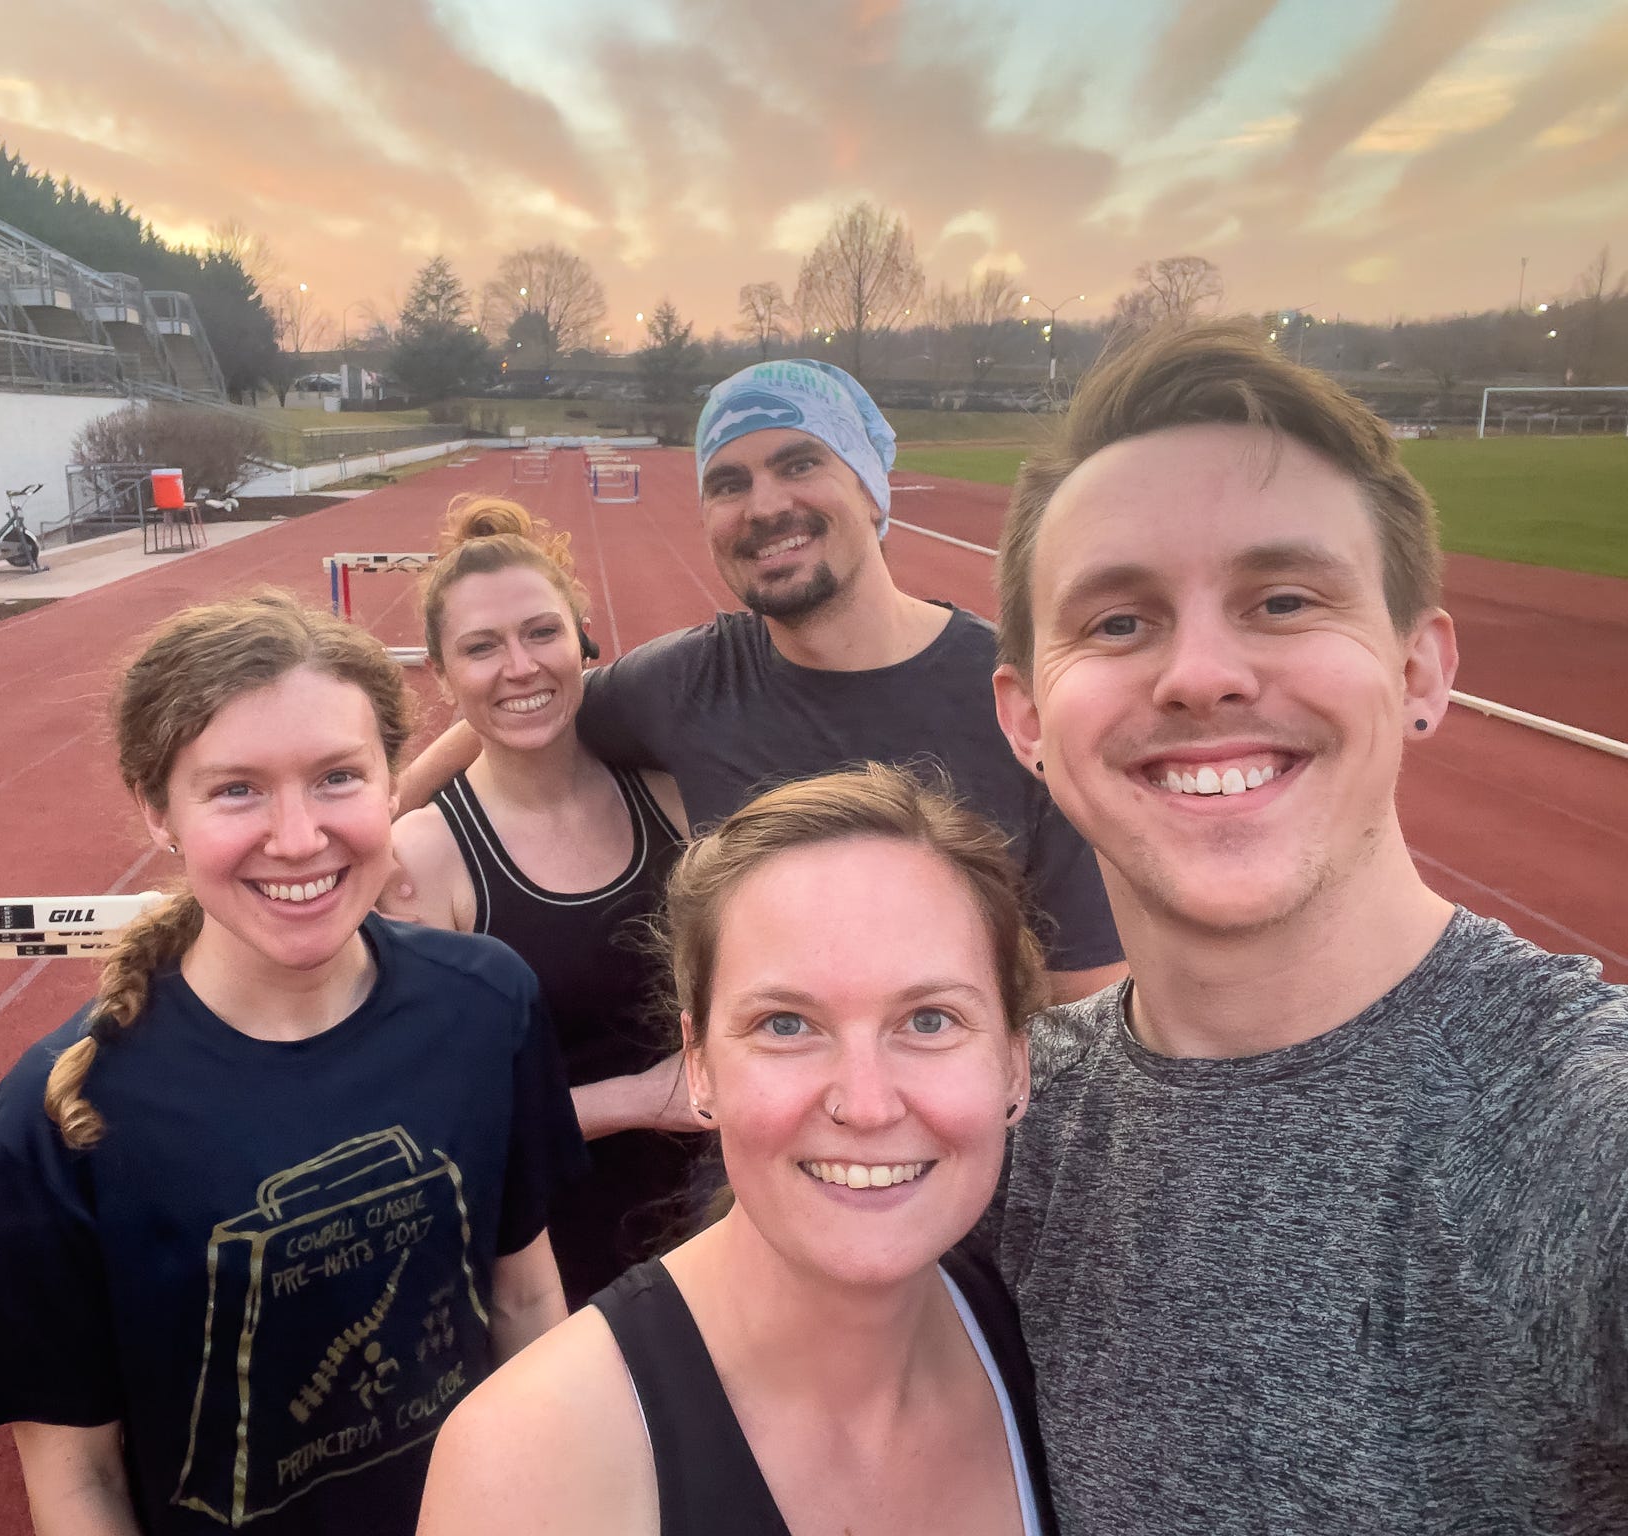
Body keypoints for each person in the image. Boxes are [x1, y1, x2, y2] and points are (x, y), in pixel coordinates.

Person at [983, 320, 1628, 1533]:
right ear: (1025, 721)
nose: (1199, 674)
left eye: (1281, 601)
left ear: (1417, 673)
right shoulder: (999, 1127)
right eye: (1116, 622)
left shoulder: (1579, 1129)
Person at [0, 592, 587, 1535]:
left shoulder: (487, 1004)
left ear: (392, 783)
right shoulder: (64, 1115)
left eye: (337, 777)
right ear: (157, 811)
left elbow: (523, 1298)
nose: (297, 837)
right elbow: (79, 1475)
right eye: (237, 789)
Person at [418, 765, 1057, 1536]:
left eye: (929, 1020)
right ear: (699, 1066)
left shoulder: (1054, 1345)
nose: (866, 1104)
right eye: (786, 1025)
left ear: (1015, 1062)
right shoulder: (531, 1463)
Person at [399, 358, 1124, 1003]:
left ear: (872, 490)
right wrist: (389, 816)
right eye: (729, 483)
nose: (766, 506)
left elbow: (1085, 997)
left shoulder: (1020, 698)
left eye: (800, 464)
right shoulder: (682, 683)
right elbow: (536, 703)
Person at [382, 494, 698, 1304]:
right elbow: (430, 1118)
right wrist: (640, 1098)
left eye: (541, 633)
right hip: (547, 1269)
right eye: (481, 647)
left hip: (714, 1229)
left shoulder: (672, 797)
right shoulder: (424, 858)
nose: (520, 667)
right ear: (443, 674)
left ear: (583, 643)